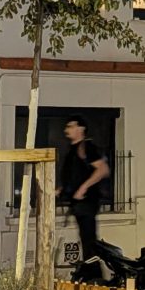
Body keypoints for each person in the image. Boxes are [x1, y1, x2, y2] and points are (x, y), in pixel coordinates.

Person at [58, 115, 110, 268]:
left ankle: (94, 273)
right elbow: (75, 176)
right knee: (86, 240)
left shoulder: (86, 148)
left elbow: (103, 169)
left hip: (87, 203)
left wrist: (83, 188)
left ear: (81, 129)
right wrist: (62, 190)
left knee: (89, 241)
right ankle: (92, 272)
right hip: (79, 204)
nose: (66, 130)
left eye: (71, 126)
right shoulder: (73, 151)